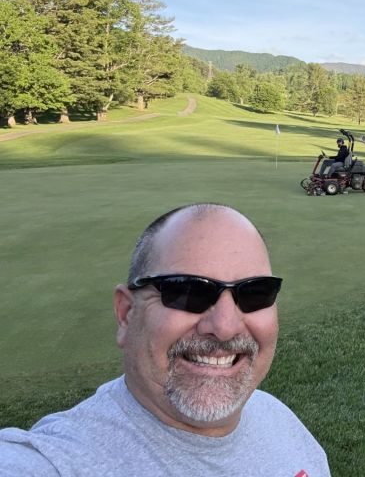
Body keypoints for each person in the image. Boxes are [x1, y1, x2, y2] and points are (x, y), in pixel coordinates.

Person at [0, 203, 330, 476]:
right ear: (127, 314)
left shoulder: (277, 415)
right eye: (187, 292)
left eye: (255, 292)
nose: (225, 327)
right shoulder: (57, 460)